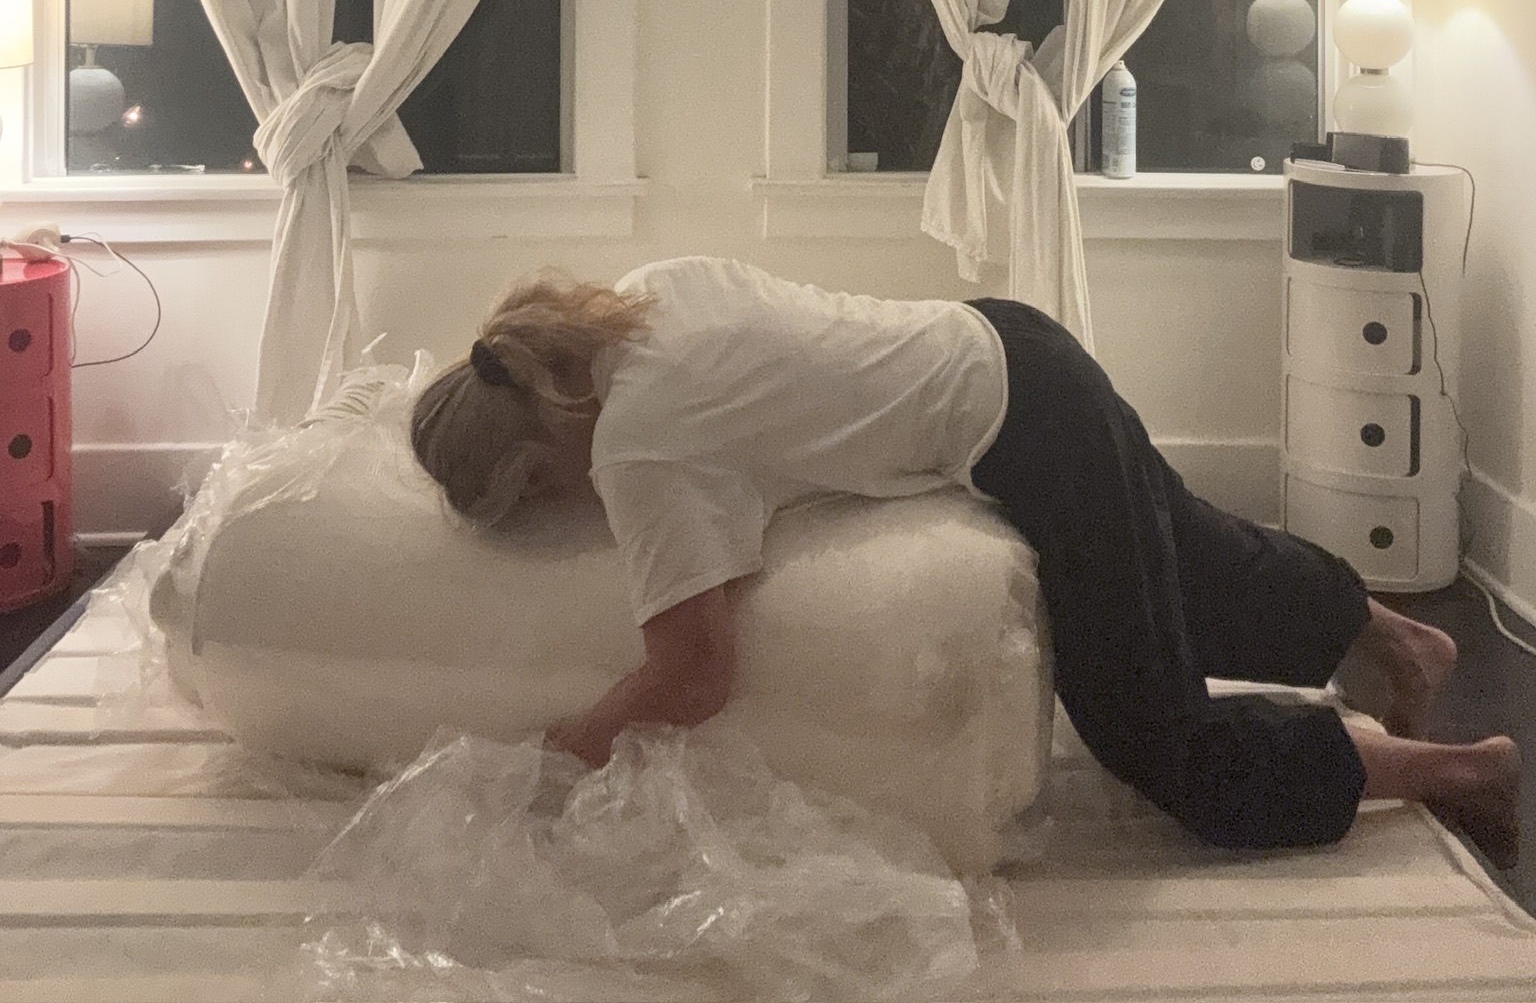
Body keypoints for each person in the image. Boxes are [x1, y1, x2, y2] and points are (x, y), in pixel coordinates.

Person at [410, 255, 1520, 865]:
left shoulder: (637, 441)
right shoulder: (642, 300)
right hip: (1010, 341)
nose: (570, 504)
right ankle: (1404, 640)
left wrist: (554, 758)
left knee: (1153, 736)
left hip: (1030, 430)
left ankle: (1462, 767)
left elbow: (693, 671)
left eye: (543, 492)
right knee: (1200, 565)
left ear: (535, 454)